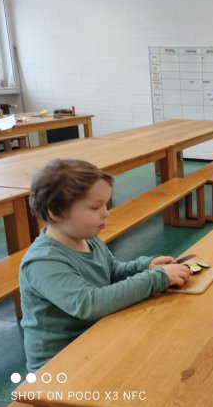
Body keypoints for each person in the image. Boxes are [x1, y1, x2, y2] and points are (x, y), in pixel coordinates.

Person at [20, 158, 192, 371]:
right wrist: (156, 278)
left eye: (106, 204)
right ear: (56, 212)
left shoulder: (88, 238)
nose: (105, 213)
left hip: (96, 341)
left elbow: (112, 272)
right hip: (59, 366)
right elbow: (90, 303)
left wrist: (146, 266)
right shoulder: (43, 262)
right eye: (95, 207)